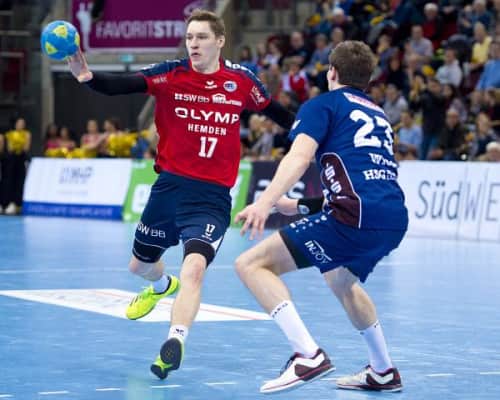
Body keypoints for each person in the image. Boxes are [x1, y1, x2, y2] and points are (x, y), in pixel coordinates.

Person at [67, 9, 294, 380]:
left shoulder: (240, 81)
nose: (194, 44)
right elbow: (122, 84)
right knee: (139, 266)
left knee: (195, 269)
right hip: (169, 189)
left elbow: (277, 113)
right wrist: (87, 77)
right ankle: (160, 286)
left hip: (212, 198)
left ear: (220, 41)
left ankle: (174, 341)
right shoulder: (170, 74)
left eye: (202, 37)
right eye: (190, 37)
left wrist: (311, 135)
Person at [235, 41, 408, 394]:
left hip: (353, 217)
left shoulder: (323, 104)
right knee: (339, 278)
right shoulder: (378, 113)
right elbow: (363, 182)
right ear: (368, 79)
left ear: (332, 72)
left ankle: (307, 355)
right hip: (393, 218)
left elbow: (299, 158)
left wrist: (265, 203)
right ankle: (382, 370)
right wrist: (299, 206)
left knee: (251, 264)